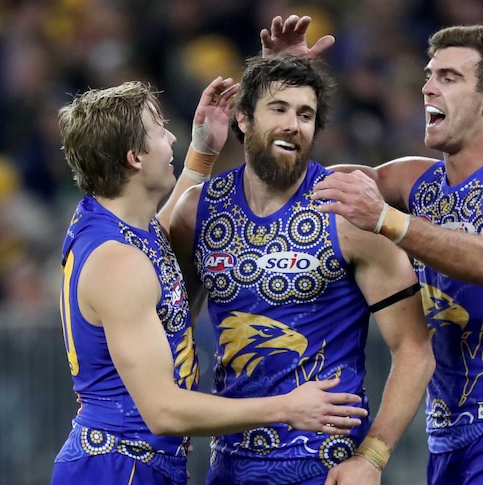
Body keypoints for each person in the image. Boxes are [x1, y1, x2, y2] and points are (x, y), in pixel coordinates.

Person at [265, 19, 483, 484]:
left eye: (449, 78)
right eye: (430, 76)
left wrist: (387, 220)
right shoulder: (415, 179)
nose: (428, 88)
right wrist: (283, 85)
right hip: (446, 439)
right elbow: (299, 181)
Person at [51, 77, 371, 485]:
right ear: (134, 157)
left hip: (133, 461)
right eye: (159, 128)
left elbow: (160, 250)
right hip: (119, 466)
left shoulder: (117, 226)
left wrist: (204, 151)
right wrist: (286, 407)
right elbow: (164, 412)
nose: (171, 138)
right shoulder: (119, 262)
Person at [169, 54, 434, 485]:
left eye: (306, 114)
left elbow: (415, 348)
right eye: (279, 109)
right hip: (230, 468)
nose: (294, 124)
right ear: (243, 118)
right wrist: (198, 155)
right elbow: (164, 313)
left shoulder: (347, 212)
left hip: (325, 469)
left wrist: (373, 457)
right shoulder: (198, 210)